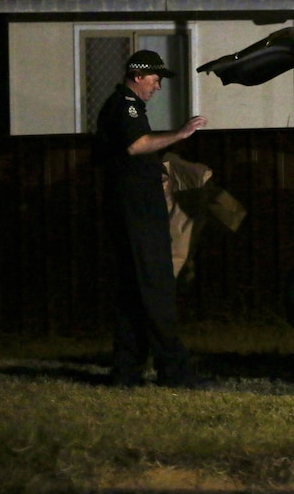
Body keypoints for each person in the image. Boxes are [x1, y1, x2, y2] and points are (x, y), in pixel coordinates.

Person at [94, 49, 209, 388]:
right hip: (137, 214)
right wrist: (181, 133)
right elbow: (135, 145)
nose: (157, 87)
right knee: (156, 287)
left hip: (130, 211)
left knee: (133, 291)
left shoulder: (126, 107)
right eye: (155, 80)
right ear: (139, 76)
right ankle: (173, 369)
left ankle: (126, 371)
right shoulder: (126, 106)